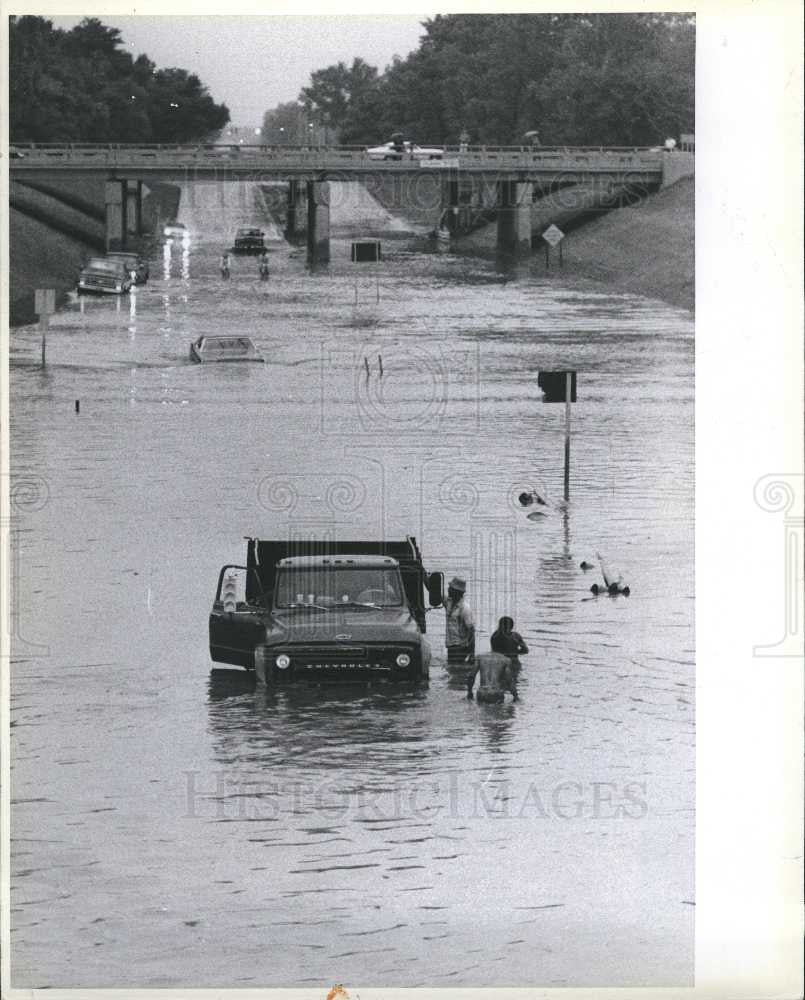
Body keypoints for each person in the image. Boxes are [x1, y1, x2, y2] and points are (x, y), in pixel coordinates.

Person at [444, 576, 475, 663]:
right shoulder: (449, 602)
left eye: (450, 588)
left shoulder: (465, 608)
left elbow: (472, 631)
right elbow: (435, 591)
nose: (448, 590)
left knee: (455, 669)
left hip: (460, 648)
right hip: (451, 646)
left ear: (457, 592)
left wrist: (472, 654)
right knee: (454, 672)